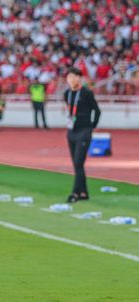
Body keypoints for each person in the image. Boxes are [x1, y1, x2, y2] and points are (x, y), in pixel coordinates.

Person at [64, 67, 101, 203]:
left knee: (79, 162)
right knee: (77, 164)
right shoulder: (66, 93)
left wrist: (92, 126)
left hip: (84, 131)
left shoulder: (86, 93)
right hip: (71, 131)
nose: (71, 80)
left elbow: (97, 111)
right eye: (69, 77)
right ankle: (84, 192)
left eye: (73, 77)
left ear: (79, 78)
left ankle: (75, 193)